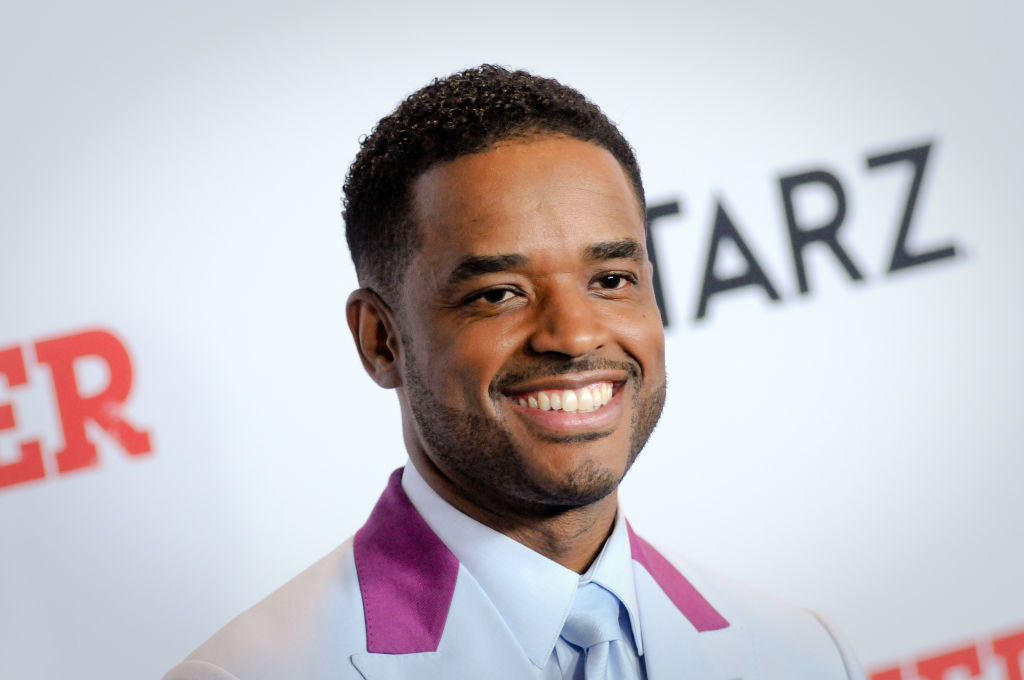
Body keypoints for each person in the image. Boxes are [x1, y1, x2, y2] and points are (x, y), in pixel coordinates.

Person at [164, 65, 864, 680]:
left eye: (612, 278)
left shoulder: (803, 655)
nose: (575, 334)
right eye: (499, 293)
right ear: (381, 341)